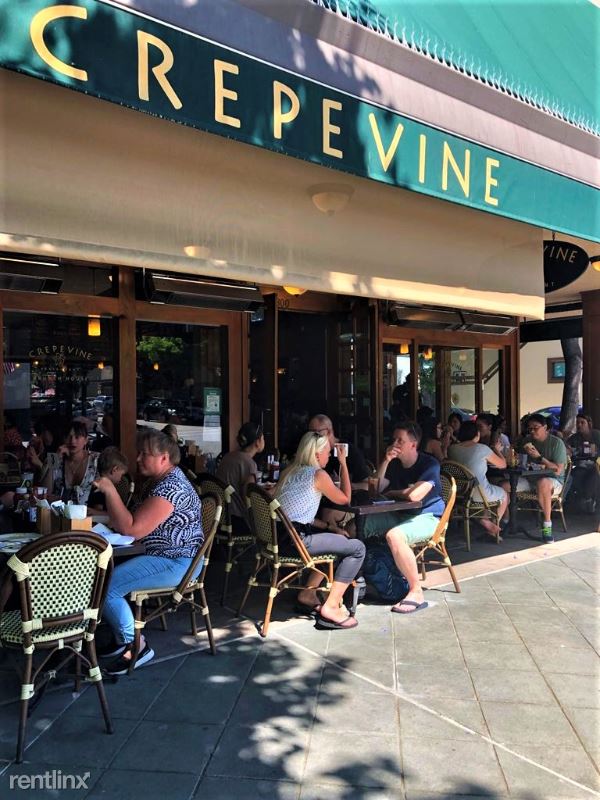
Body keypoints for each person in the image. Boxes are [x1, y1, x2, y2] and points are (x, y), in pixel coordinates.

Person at [92, 429, 203, 673]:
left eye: (145, 454)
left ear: (164, 458)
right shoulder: (160, 481)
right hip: (162, 555)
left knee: (107, 585)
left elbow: (132, 529)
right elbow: (128, 520)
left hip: (176, 561)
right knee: (103, 576)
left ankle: (136, 645)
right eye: (139, 453)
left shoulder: (171, 488)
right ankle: (122, 638)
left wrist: (110, 490)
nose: (138, 458)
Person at [275, 431, 366, 630]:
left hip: (277, 538)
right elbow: (345, 499)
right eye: (327, 452)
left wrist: (329, 527)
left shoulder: (290, 472)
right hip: (297, 540)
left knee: (335, 539)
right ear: (317, 454)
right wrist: (343, 464)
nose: (329, 456)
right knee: (357, 548)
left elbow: (296, 514)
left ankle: (308, 594)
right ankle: (331, 607)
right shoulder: (318, 474)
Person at [362, 421, 445, 613]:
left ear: (413, 444)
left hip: (429, 516)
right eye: (394, 440)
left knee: (394, 536)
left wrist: (395, 493)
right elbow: (376, 489)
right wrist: (385, 461)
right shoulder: (394, 464)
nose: (395, 444)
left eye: (400, 440)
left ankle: (416, 592)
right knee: (355, 527)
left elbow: (415, 495)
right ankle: (352, 581)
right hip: (400, 514)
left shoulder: (429, 464)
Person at [447, 421, 509, 540]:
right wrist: (497, 450)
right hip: (478, 493)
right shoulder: (482, 449)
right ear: (477, 434)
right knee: (504, 495)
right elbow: (503, 464)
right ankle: (493, 528)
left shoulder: (452, 449)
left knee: (489, 486)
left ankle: (483, 519)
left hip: (459, 493)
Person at [517, 413, 567, 543]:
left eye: (535, 427)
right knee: (505, 485)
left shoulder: (556, 443)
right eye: (530, 428)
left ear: (545, 428)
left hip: (553, 480)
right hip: (530, 478)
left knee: (543, 483)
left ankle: (547, 526)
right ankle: (505, 523)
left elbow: (558, 470)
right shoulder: (526, 441)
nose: (532, 431)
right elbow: (519, 460)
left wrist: (539, 458)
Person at [216, 421, 265, 532]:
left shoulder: (228, 456)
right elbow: (249, 497)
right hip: (237, 521)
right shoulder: (249, 463)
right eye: (263, 438)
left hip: (219, 517)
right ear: (257, 442)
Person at [40, 419, 100, 504]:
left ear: (86, 440)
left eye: (77, 437)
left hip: (88, 511)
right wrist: (55, 459)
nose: (72, 441)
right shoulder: (53, 457)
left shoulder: (97, 459)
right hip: (59, 510)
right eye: (68, 436)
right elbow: (45, 493)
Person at [566, 414, 600, 513]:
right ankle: (582, 500)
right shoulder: (575, 437)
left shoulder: (596, 435)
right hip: (581, 465)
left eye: (582, 422)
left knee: (594, 476)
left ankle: (590, 500)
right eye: (577, 423)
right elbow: (567, 449)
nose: (579, 425)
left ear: (589, 424)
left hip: (596, 465)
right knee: (574, 476)